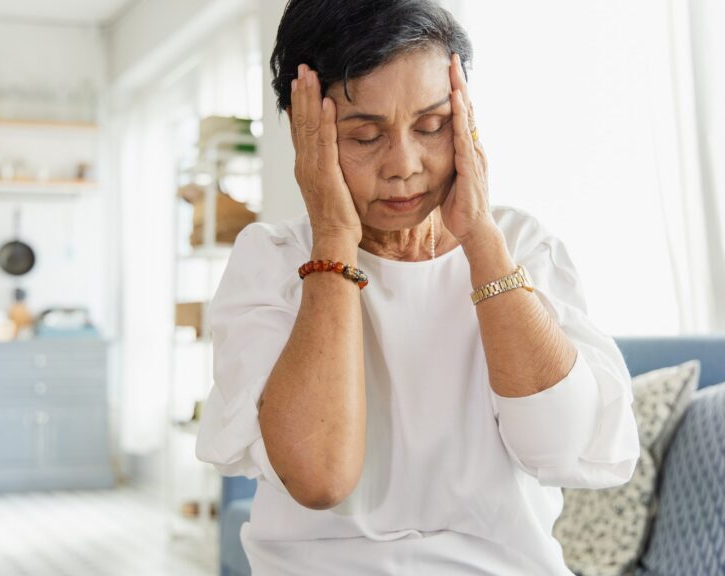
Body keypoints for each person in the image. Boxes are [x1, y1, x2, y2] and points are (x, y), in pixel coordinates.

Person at [196, 0, 641, 574]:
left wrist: (481, 237)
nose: (404, 165)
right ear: (305, 134)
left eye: (430, 126)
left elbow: (560, 450)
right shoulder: (270, 262)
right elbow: (320, 477)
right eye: (363, 136)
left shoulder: (521, 245)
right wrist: (332, 236)